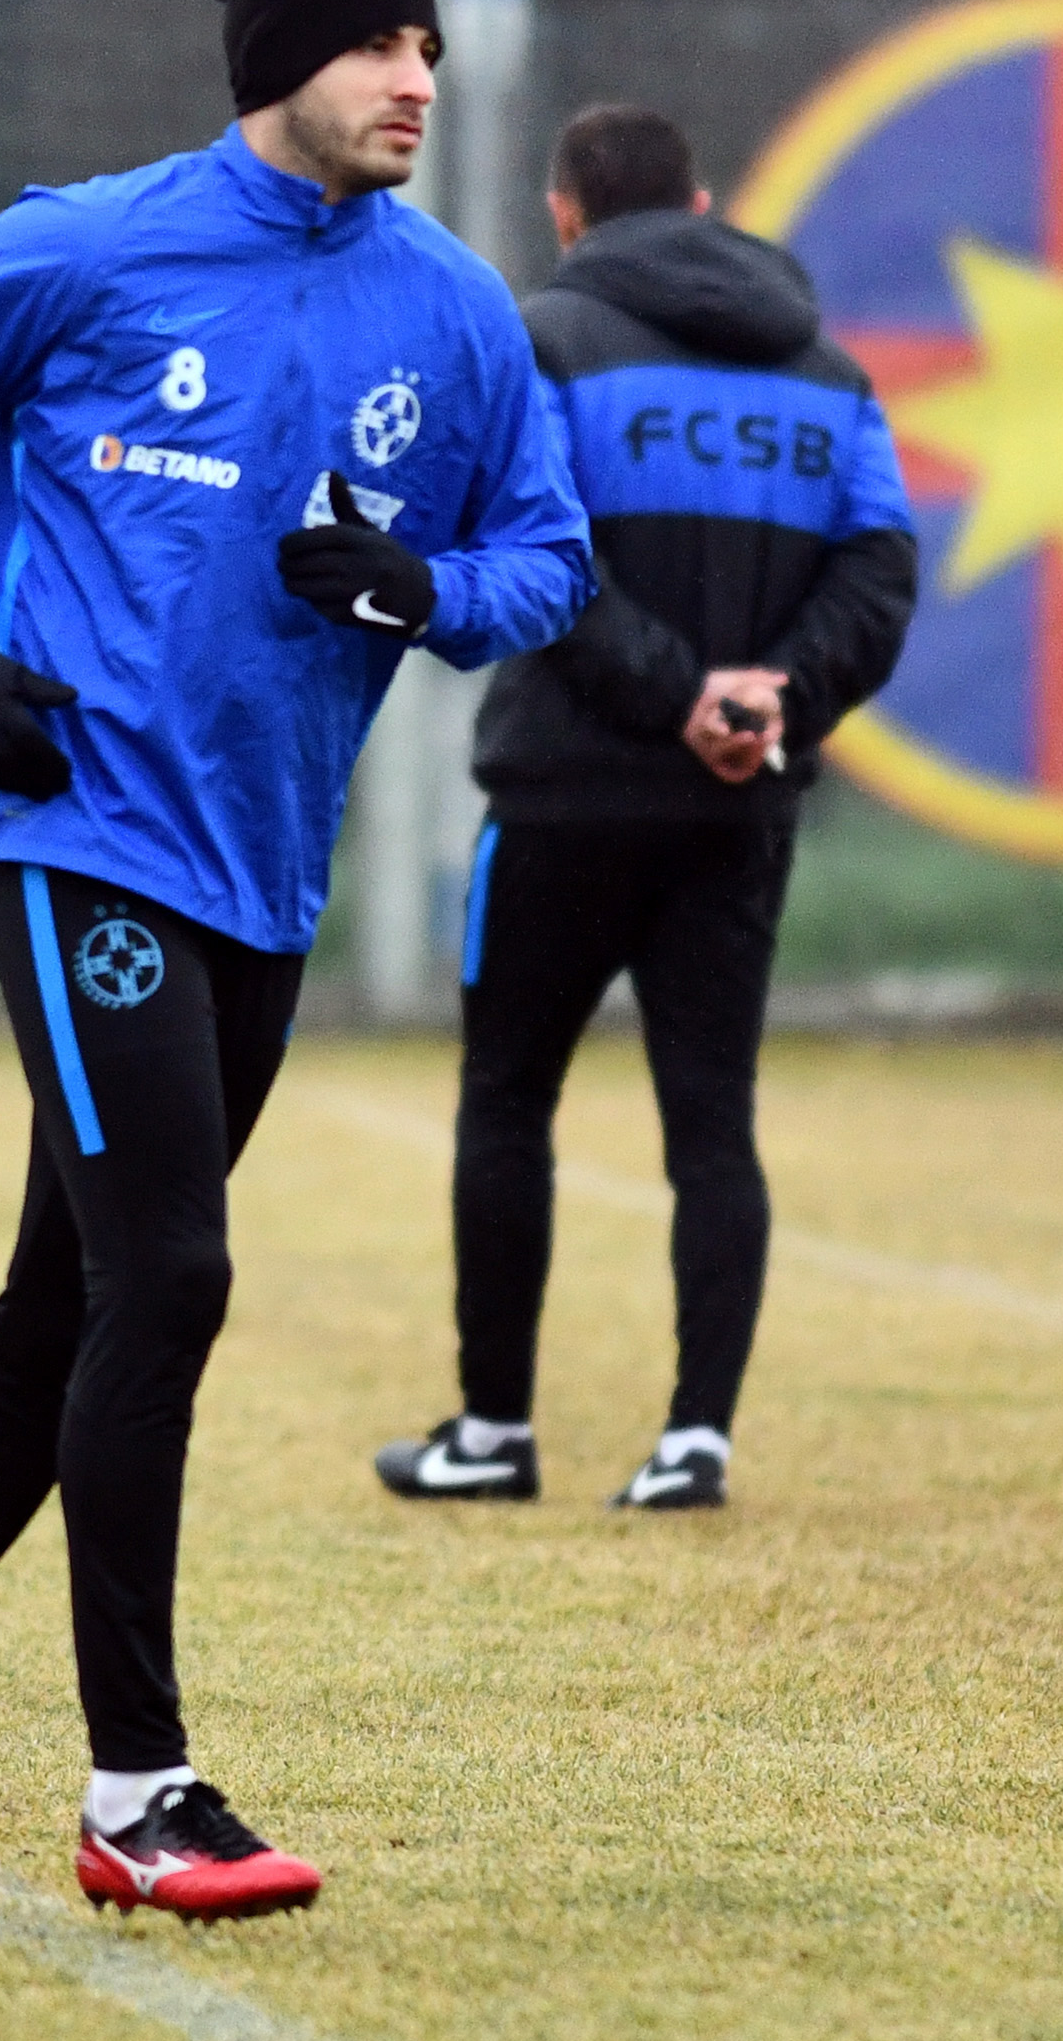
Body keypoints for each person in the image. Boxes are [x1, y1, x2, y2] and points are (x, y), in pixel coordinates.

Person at [0, 0, 592, 1918]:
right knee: (173, 1276)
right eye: (380, 45)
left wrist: (420, 589)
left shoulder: (454, 311)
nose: (417, 79)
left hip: (258, 870)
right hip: (77, 838)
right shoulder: (92, 241)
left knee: (66, 1309)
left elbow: (544, 554)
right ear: (280, 61)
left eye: (428, 49)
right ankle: (139, 1785)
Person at [378, 103, 915, 1515]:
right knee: (712, 1121)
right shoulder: (831, 370)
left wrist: (671, 691)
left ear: (566, 212)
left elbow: (534, 550)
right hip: (738, 811)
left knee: (507, 1101)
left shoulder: (546, 341)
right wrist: (768, 698)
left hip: (561, 796)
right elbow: (881, 574)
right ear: (705, 198)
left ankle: (493, 1430)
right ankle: (697, 1436)